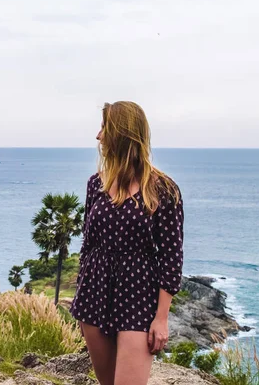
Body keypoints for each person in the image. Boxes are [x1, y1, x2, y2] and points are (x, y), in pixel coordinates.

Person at [69, 101, 184, 385]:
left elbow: (171, 259)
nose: (98, 136)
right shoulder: (95, 184)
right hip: (94, 293)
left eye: (104, 128)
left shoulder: (163, 189)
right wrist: (82, 296)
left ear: (120, 133)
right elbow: (88, 245)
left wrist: (161, 318)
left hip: (137, 294)